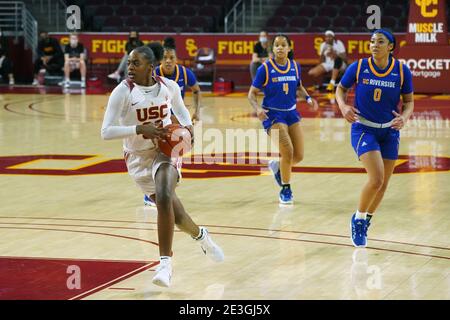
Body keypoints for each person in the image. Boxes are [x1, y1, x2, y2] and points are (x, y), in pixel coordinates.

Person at [101, 45, 224, 287]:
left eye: (136, 63)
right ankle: (201, 236)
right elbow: (105, 132)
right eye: (129, 63)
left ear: (150, 65)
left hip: (165, 150)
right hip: (137, 157)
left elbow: (180, 110)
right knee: (177, 216)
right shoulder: (122, 92)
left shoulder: (169, 86)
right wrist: (139, 128)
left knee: (165, 195)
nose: (130, 67)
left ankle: (165, 265)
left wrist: (188, 130)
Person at [335, 29, 414, 247]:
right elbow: (340, 89)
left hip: (389, 131)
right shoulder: (359, 67)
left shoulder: (401, 70)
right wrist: (343, 106)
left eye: (380, 42)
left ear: (390, 47)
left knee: (384, 184)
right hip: (363, 128)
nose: (374, 45)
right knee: (376, 178)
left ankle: (366, 219)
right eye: (372, 41)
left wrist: (405, 117)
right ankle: (358, 219)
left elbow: (409, 102)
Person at [248, 34, 318, 205]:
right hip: (273, 115)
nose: (279, 48)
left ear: (289, 48)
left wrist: (308, 98)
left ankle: (277, 166)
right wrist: (257, 109)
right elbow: (251, 94)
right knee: (287, 151)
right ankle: (285, 189)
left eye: (283, 45)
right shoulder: (264, 68)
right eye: (276, 45)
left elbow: (299, 86)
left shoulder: (295, 66)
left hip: (292, 113)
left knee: (299, 155)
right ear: (272, 49)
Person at [143, 38, 202, 207]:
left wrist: (196, 111)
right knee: (155, 155)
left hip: (177, 119)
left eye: (172, 58)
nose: (168, 61)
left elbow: (196, 90)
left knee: (174, 154)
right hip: (157, 118)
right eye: (165, 57)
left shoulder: (184, 73)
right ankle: (151, 192)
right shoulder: (153, 73)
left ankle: (163, 189)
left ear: (176, 59)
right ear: (161, 59)